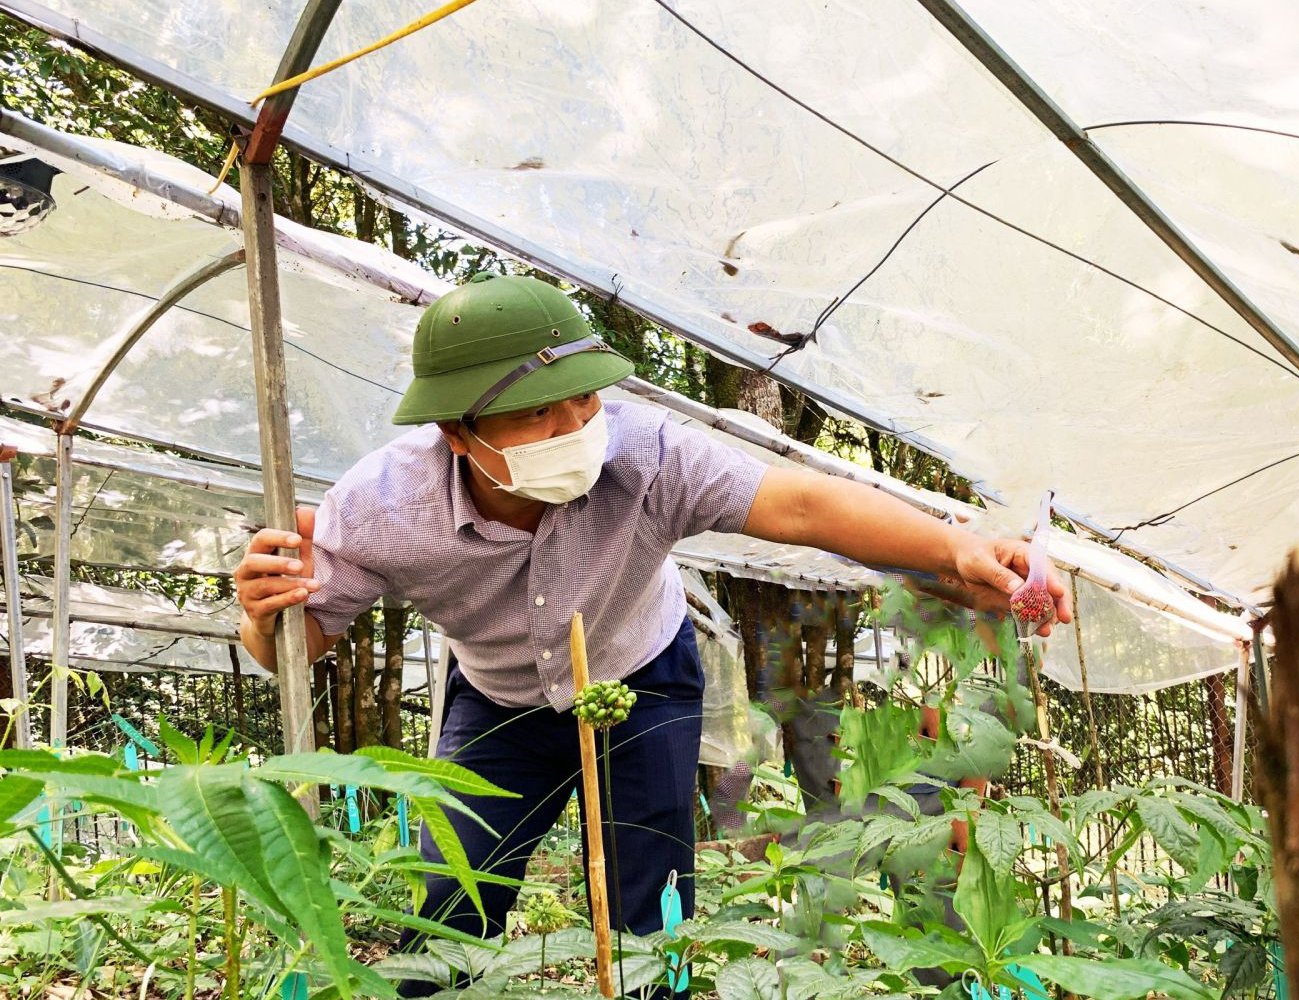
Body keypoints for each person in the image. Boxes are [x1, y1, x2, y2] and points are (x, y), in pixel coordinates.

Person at [232, 272, 1070, 995]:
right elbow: (300, 650)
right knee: (452, 896)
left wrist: (954, 544)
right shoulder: (380, 508)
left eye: (585, 397)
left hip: (644, 676)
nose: (577, 427)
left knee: (653, 898)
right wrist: (265, 616)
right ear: (458, 432)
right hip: (498, 702)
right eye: (537, 413)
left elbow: (803, 504)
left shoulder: (648, 455)